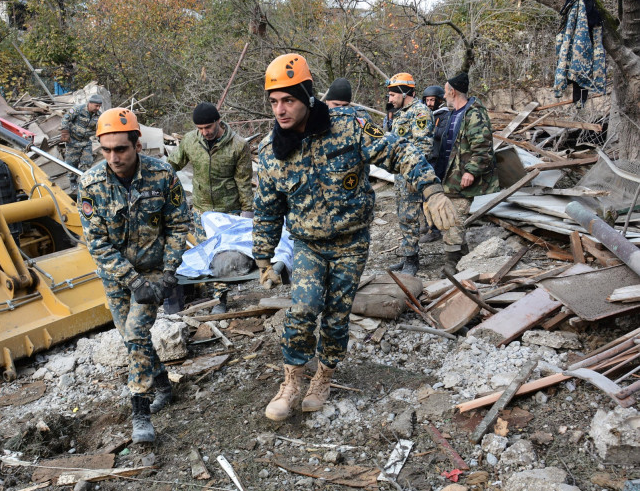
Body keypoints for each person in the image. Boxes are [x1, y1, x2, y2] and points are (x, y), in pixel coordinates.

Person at [253, 53, 458, 421]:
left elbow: (397, 150)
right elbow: (267, 207)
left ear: (307, 95)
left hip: (350, 243)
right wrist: (263, 256)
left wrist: (431, 189)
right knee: (301, 310)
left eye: (288, 100)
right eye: (273, 102)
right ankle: (292, 381)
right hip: (308, 245)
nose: (280, 110)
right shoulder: (272, 151)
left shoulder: (349, 127)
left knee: (335, 314)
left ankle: (324, 376)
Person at [78, 108, 190, 443]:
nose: (113, 157)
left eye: (121, 149)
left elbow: (178, 223)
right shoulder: (91, 185)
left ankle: (140, 414)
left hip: (154, 271)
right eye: (106, 150)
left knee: (137, 334)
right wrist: (132, 281)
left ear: (137, 145)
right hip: (117, 277)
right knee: (131, 339)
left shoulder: (162, 175)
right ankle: (163, 386)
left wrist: (169, 270)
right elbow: (95, 242)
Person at [168, 102, 253, 314]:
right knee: (206, 254)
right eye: (200, 128)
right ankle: (214, 298)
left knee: (222, 256)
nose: (205, 132)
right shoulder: (190, 141)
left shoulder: (238, 146)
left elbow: (244, 181)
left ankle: (220, 300)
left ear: (218, 121)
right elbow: (172, 164)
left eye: (208, 127)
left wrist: (247, 211)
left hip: (228, 211)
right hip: (201, 210)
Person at [439, 72, 500, 276]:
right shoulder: (454, 114)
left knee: (453, 218)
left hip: (462, 177)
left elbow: (483, 147)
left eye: (446, 90)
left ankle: (451, 264)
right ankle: (463, 256)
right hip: (449, 176)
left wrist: (471, 172)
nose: (444, 93)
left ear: (453, 91)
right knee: (449, 218)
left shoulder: (474, 114)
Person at [386, 73, 434, 275]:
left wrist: (412, 174)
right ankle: (407, 255)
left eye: (392, 95)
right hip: (400, 174)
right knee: (404, 216)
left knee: (411, 217)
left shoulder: (420, 112)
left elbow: (423, 147)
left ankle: (412, 262)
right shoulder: (401, 113)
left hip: (411, 173)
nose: (390, 100)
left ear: (404, 93)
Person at [419, 85, 452, 244]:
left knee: (432, 195)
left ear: (439, 100)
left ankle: (435, 230)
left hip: (437, 160)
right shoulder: (425, 113)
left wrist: (428, 126)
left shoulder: (445, 114)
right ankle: (428, 223)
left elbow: (442, 134)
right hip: (426, 159)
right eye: (427, 100)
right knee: (423, 195)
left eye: (432, 100)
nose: (429, 103)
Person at [61, 94, 103, 194]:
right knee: (71, 163)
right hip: (73, 141)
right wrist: (65, 132)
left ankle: (84, 181)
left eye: (99, 106)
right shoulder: (78, 109)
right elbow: (65, 119)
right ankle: (72, 181)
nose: (98, 108)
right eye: (96, 106)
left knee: (88, 162)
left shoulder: (99, 116)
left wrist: (102, 140)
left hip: (86, 142)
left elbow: (100, 129)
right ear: (90, 103)